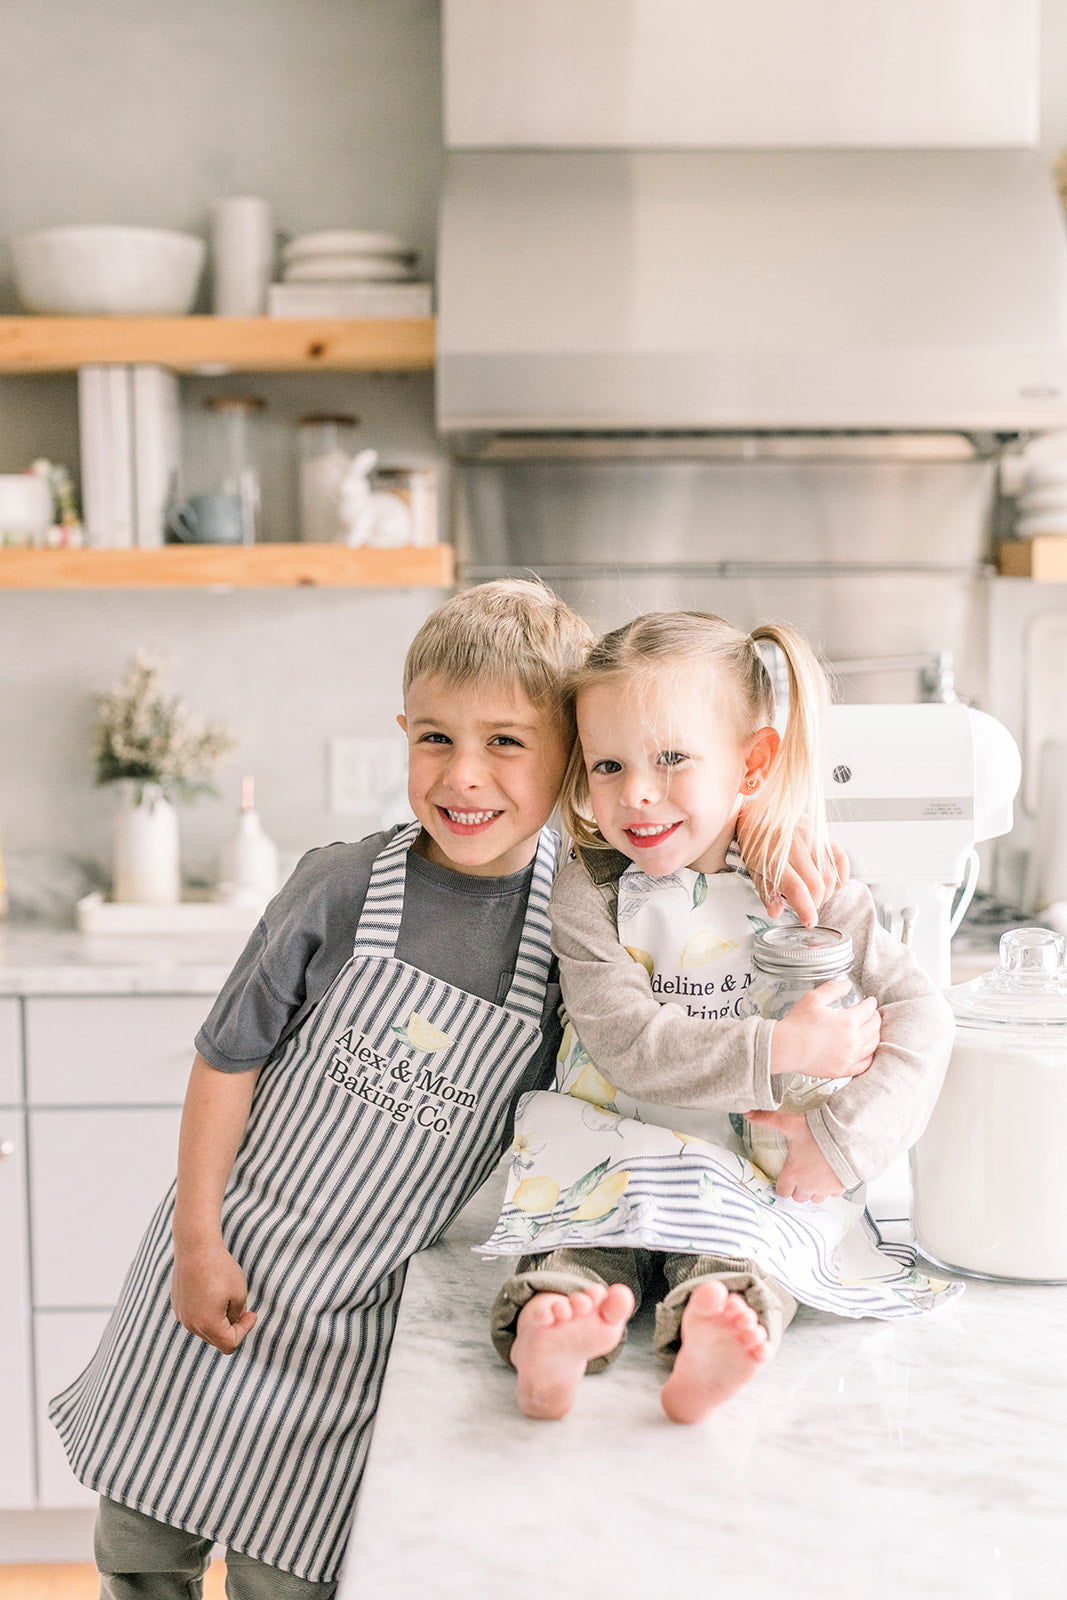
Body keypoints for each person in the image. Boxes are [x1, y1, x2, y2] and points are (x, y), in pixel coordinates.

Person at [49, 582, 844, 1595]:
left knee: (280, 1577)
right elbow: (226, 1058)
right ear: (403, 734)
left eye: (507, 742)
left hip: (355, 1333)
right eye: (435, 738)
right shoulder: (338, 887)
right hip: (218, 1271)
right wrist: (197, 1242)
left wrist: (781, 838)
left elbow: (701, 889)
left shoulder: (582, 925)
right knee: (136, 1551)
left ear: (569, 756)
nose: (463, 775)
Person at [486, 611, 957, 1426]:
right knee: (569, 1259)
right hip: (608, 1147)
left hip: (746, 1169)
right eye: (608, 763)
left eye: (671, 758)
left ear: (753, 763)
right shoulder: (590, 888)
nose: (635, 792)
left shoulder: (803, 885)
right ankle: (547, 1341)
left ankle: (709, 1337)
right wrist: (783, 1046)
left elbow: (922, 1015)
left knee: (743, 1262)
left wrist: (841, 1140)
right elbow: (628, 1046)